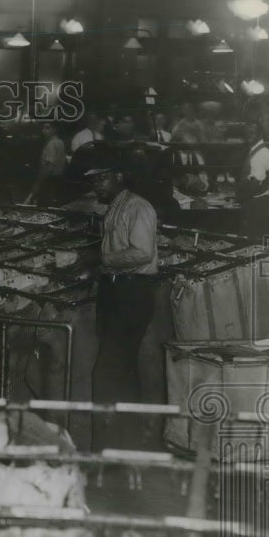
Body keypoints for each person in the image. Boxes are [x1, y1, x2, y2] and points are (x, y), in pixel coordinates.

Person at [89, 166, 159, 449]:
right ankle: (128, 445)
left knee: (106, 372)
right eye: (93, 180)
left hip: (132, 292)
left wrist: (102, 261)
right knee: (124, 371)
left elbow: (143, 252)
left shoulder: (138, 207)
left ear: (120, 175)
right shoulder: (116, 207)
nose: (96, 186)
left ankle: (103, 449)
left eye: (101, 178)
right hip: (116, 288)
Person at [25, 121, 66, 204]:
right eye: (43, 128)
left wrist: (38, 183)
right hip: (58, 180)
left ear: (54, 130)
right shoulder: (60, 142)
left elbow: (49, 166)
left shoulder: (51, 144)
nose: (44, 130)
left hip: (49, 181)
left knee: (45, 207)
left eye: (47, 128)